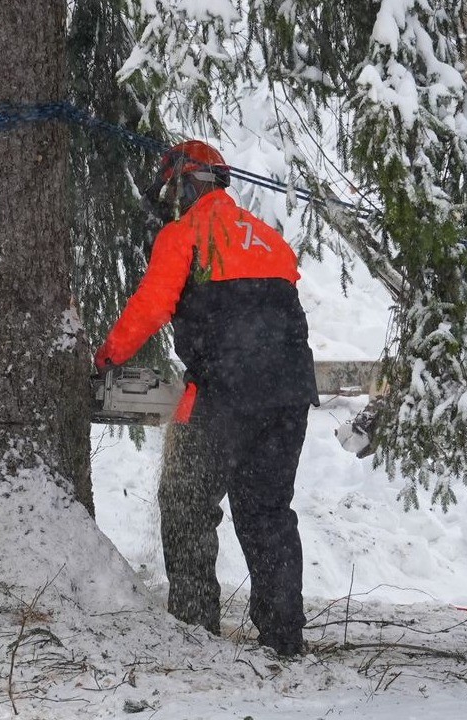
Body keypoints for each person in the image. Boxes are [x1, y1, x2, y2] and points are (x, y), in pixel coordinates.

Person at [94, 141, 318, 656]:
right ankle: (284, 634)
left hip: (226, 390)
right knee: (268, 511)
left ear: (184, 184)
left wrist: (105, 358)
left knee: (187, 502)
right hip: (289, 394)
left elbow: (152, 306)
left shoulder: (184, 234)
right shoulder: (270, 239)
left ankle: (194, 628)